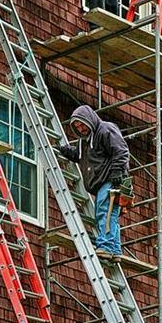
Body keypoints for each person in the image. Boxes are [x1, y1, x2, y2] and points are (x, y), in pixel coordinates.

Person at [59, 104, 129, 262]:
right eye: (77, 127)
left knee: (105, 212)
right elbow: (81, 156)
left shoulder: (105, 129)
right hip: (100, 183)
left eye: (82, 124)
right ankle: (115, 249)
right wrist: (65, 151)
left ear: (88, 120)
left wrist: (118, 171)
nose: (81, 128)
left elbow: (121, 150)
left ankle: (105, 246)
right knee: (110, 214)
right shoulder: (85, 141)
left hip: (110, 180)